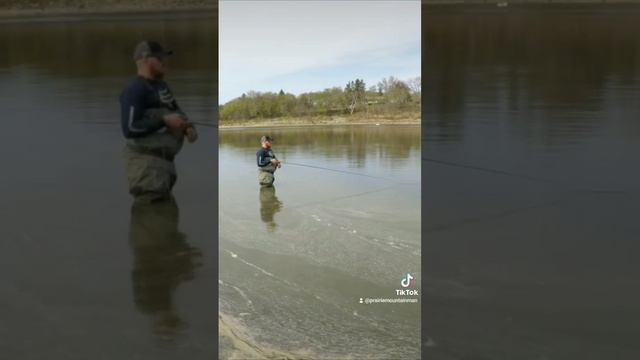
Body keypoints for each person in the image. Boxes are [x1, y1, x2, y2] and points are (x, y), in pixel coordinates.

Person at [120, 40, 198, 203]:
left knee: (165, 220)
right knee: (150, 219)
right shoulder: (134, 90)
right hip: (145, 167)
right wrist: (163, 121)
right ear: (145, 59)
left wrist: (188, 128)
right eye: (159, 58)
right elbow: (129, 128)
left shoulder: (162, 86)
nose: (164, 62)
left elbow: (176, 112)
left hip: (165, 166)